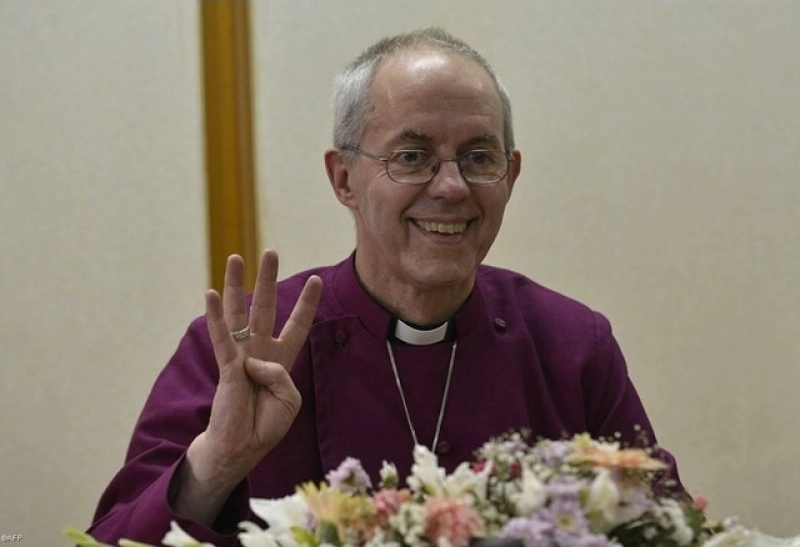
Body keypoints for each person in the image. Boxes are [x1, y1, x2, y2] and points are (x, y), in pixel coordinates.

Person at [88, 27, 686, 547]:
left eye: (479, 157)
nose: (451, 186)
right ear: (344, 178)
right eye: (411, 155)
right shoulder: (243, 351)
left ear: (512, 174)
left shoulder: (573, 345)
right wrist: (216, 463)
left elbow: (665, 526)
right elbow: (114, 538)